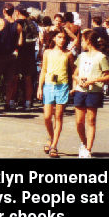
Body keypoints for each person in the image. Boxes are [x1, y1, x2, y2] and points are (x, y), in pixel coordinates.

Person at [71, 29, 109, 158]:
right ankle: (83, 143)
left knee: (91, 120)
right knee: (79, 121)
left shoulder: (101, 57)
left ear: (88, 41)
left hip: (94, 92)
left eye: (83, 40)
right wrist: (77, 79)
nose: (81, 43)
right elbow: (74, 74)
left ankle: (88, 148)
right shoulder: (82, 56)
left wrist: (94, 80)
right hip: (80, 90)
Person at [36, 30, 73, 158]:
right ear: (54, 38)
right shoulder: (47, 52)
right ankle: (51, 137)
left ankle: (54, 145)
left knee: (58, 116)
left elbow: (72, 71)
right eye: (59, 37)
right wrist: (39, 88)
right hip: (49, 85)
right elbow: (43, 70)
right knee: (47, 116)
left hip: (62, 86)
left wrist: (73, 87)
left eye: (63, 38)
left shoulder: (68, 54)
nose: (62, 40)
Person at [0, 4, 18, 110]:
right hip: (11, 55)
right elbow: (19, 42)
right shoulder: (17, 25)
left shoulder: (1, 22)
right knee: (10, 81)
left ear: (4, 11)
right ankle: (8, 103)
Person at [12, 6, 38, 111]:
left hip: (18, 54)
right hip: (30, 54)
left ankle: (12, 101)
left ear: (17, 12)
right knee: (28, 79)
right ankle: (28, 102)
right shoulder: (33, 24)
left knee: (14, 78)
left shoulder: (16, 23)